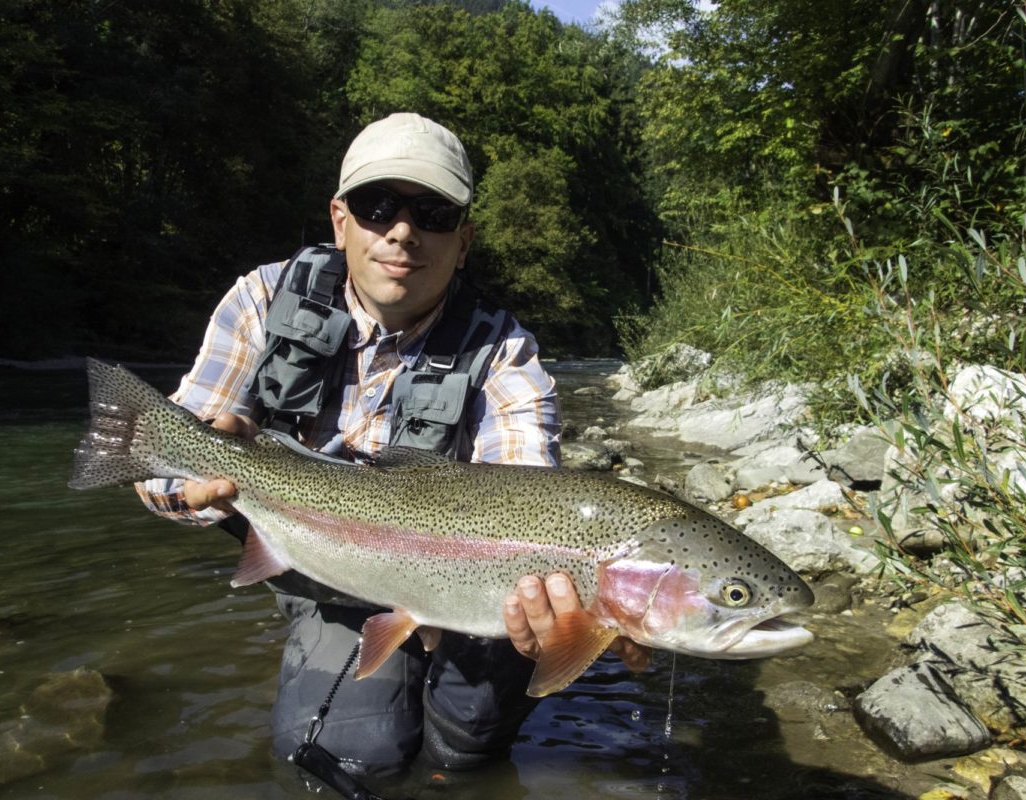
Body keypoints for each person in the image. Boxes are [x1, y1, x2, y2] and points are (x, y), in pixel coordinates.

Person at [135, 113, 649, 775]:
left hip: (466, 580)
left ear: (463, 241)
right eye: (379, 207)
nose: (403, 231)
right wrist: (195, 489)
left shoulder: (504, 351)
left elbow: (529, 487)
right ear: (341, 220)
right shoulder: (261, 301)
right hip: (324, 575)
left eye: (432, 213)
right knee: (344, 757)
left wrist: (568, 610)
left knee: (465, 749)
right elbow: (156, 457)